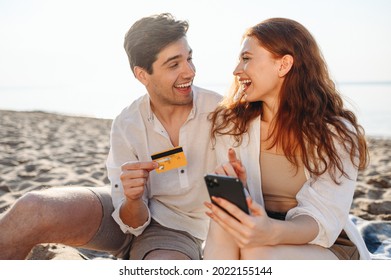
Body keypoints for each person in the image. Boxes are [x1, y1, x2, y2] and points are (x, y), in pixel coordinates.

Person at [0, 13, 221, 260]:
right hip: (123, 214)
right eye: (174, 64)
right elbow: (129, 218)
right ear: (142, 75)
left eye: (189, 58)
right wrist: (133, 199)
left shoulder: (220, 113)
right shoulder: (127, 123)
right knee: (31, 209)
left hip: (179, 231)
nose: (189, 71)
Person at [203, 17, 371, 260]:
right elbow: (246, 213)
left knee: (257, 252)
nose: (236, 70)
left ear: (283, 65)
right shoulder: (233, 126)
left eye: (247, 58)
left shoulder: (334, 134)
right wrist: (242, 188)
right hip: (259, 233)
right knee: (223, 221)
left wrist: (271, 232)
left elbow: (322, 220)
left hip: (325, 244)